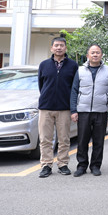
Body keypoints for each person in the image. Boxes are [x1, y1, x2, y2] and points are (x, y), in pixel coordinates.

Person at [70, 44, 108, 177]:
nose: (95, 55)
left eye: (97, 52)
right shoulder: (80, 70)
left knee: (99, 140)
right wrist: (73, 110)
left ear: (101, 55)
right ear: (88, 55)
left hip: (101, 111)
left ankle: (95, 165)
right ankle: (82, 166)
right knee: (82, 140)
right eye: (92, 52)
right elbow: (74, 91)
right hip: (83, 111)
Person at [37, 37, 79, 178]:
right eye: (56, 45)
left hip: (64, 108)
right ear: (52, 48)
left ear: (65, 48)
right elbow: (41, 85)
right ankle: (46, 165)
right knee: (45, 139)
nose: (59, 48)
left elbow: (75, 87)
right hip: (46, 107)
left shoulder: (73, 66)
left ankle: (63, 164)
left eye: (61, 45)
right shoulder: (44, 65)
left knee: (64, 139)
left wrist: (73, 108)